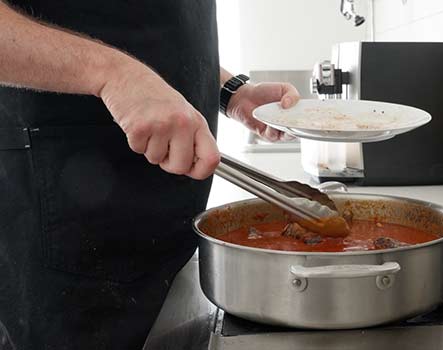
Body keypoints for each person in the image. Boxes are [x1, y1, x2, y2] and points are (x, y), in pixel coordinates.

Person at [0, 1, 300, 349]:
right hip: (64, 235)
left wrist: (231, 93)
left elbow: (140, 26)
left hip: (168, 238)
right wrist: (113, 75)